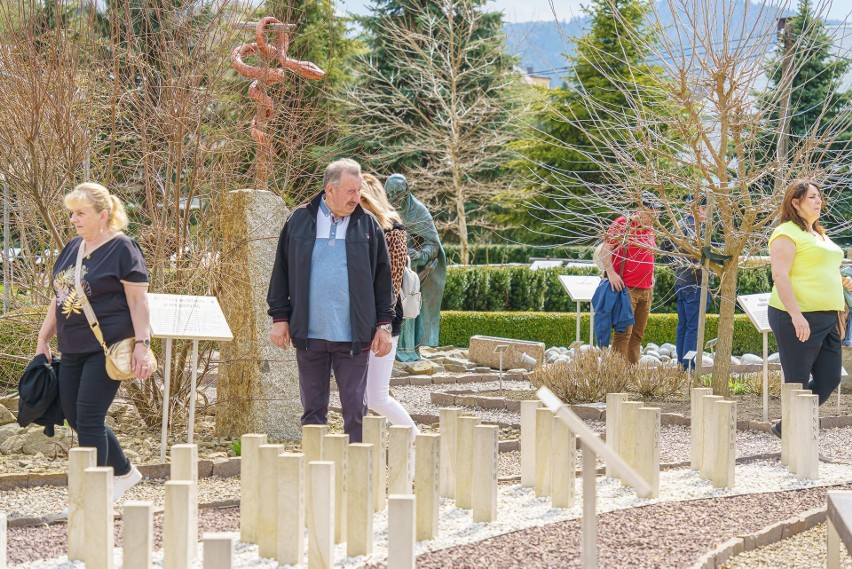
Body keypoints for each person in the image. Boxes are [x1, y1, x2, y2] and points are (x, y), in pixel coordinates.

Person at [35, 182, 153, 501]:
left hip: (107, 348)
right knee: (75, 417)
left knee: (88, 417)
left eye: (80, 213)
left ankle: (93, 496)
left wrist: (142, 344)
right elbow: (59, 296)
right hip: (71, 348)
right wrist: (43, 337)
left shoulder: (123, 248)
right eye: (72, 214)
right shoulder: (73, 247)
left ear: (102, 215)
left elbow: (138, 302)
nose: (74, 219)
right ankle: (125, 472)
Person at [267, 159, 395, 443]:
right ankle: (316, 473)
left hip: (354, 338)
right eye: (350, 191)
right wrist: (280, 319)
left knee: (356, 411)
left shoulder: (368, 226)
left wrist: (384, 324)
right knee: (312, 412)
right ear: (330, 189)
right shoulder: (298, 220)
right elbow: (281, 272)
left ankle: (357, 475)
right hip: (309, 336)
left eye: (358, 190)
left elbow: (383, 280)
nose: (356, 197)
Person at [767, 180, 852, 437]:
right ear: (796, 202)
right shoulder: (786, 232)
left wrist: (841, 280)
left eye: (819, 197)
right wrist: (796, 316)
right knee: (798, 383)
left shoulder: (819, 234)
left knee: (829, 379)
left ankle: (785, 427)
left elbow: (817, 267)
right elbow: (780, 276)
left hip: (827, 318)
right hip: (795, 316)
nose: (819, 201)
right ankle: (795, 443)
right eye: (813, 197)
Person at [359, 174, 421, 439]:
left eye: (359, 197)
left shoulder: (392, 230)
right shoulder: (359, 228)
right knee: (361, 395)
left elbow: (393, 282)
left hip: (383, 321)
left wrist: (380, 324)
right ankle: (360, 447)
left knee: (377, 397)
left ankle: (420, 441)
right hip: (362, 320)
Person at [384, 174, 447, 362]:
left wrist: (421, 255)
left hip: (409, 271)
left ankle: (405, 349)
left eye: (397, 193)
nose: (393, 198)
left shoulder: (419, 211)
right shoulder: (382, 207)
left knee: (406, 308)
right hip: (383, 268)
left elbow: (433, 244)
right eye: (390, 193)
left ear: (407, 192)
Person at [600, 193, 659, 364]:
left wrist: (651, 276)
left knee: (638, 334)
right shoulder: (623, 224)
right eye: (650, 211)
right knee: (623, 333)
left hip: (646, 289)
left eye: (657, 212)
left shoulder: (650, 229)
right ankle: (617, 374)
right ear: (639, 208)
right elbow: (606, 249)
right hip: (626, 288)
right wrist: (611, 274)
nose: (654, 215)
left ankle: (630, 373)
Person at [669, 194, 711, 369]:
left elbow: (665, 246)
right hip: (695, 282)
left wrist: (676, 268)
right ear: (699, 208)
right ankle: (688, 366)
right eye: (707, 210)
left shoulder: (679, 225)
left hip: (681, 280)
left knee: (684, 326)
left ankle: (681, 364)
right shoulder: (695, 227)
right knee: (693, 328)